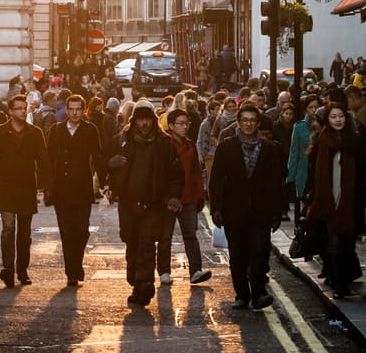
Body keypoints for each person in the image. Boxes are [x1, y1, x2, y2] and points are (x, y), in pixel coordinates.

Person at [106, 99, 183, 306]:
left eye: (148, 119)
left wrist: (174, 195)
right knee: (131, 242)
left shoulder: (164, 143)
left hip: (153, 204)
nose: (144, 124)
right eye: (140, 120)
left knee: (147, 244)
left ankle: (145, 282)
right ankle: (136, 282)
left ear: (154, 120)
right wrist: (110, 166)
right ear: (134, 121)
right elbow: (104, 161)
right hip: (128, 203)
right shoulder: (122, 140)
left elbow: (176, 174)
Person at [209, 103, 284, 310]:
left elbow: (276, 181)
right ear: (238, 123)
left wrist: (277, 211)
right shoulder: (226, 146)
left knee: (260, 251)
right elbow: (216, 179)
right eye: (245, 120)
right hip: (234, 210)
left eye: (252, 120)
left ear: (258, 123)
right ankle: (242, 294)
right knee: (238, 255)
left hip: (261, 210)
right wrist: (216, 207)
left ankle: (259, 293)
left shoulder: (269, 148)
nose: (249, 124)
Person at [0, 94, 50, 288]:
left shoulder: (35, 133)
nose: (21, 111)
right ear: (10, 111)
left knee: (24, 233)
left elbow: (44, 162)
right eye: (17, 108)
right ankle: (8, 268)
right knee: (8, 229)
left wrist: (47, 188)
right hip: (7, 187)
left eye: (23, 108)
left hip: (27, 187)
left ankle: (23, 270)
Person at [304, 103, 366, 298]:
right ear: (327, 120)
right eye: (334, 117)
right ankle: (338, 284)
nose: (338, 120)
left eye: (341, 116)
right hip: (328, 201)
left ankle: (341, 279)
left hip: (349, 200)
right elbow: (313, 172)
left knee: (347, 244)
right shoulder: (322, 141)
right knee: (334, 243)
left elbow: (363, 170)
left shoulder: (354, 141)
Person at [46, 95, 103, 286]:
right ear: (66, 110)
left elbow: (97, 157)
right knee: (66, 231)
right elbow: (49, 159)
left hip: (82, 188)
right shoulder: (56, 130)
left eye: (78, 109)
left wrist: (104, 184)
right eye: (71, 109)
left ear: (84, 110)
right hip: (61, 189)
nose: (75, 112)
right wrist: (47, 186)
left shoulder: (90, 130)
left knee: (82, 230)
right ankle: (72, 272)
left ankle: (76, 264)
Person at [164, 108, 212, 285]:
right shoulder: (164, 145)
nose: (185, 127)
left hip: (189, 197)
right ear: (171, 126)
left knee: (190, 235)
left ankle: (196, 271)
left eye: (187, 123)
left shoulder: (190, 145)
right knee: (165, 237)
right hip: (168, 199)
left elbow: (196, 173)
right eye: (181, 123)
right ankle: (164, 272)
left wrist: (201, 194)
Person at [288, 95, 321, 222]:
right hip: (304, 169)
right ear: (306, 109)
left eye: (316, 107)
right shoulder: (299, 126)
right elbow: (294, 152)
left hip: (319, 168)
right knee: (304, 202)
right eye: (311, 107)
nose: (313, 110)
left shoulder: (325, 126)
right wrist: (290, 177)